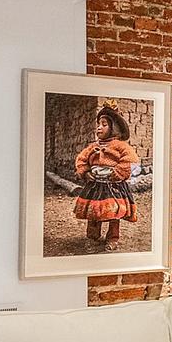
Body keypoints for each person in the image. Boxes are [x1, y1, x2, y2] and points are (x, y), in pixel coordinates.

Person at [72, 103, 140, 247]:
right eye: (98, 124)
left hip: (113, 185)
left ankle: (112, 238)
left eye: (104, 124)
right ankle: (92, 236)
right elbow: (81, 159)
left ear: (113, 128)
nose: (99, 127)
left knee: (113, 212)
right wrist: (85, 172)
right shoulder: (93, 146)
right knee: (94, 210)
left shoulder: (121, 146)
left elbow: (131, 161)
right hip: (95, 184)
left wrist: (117, 173)